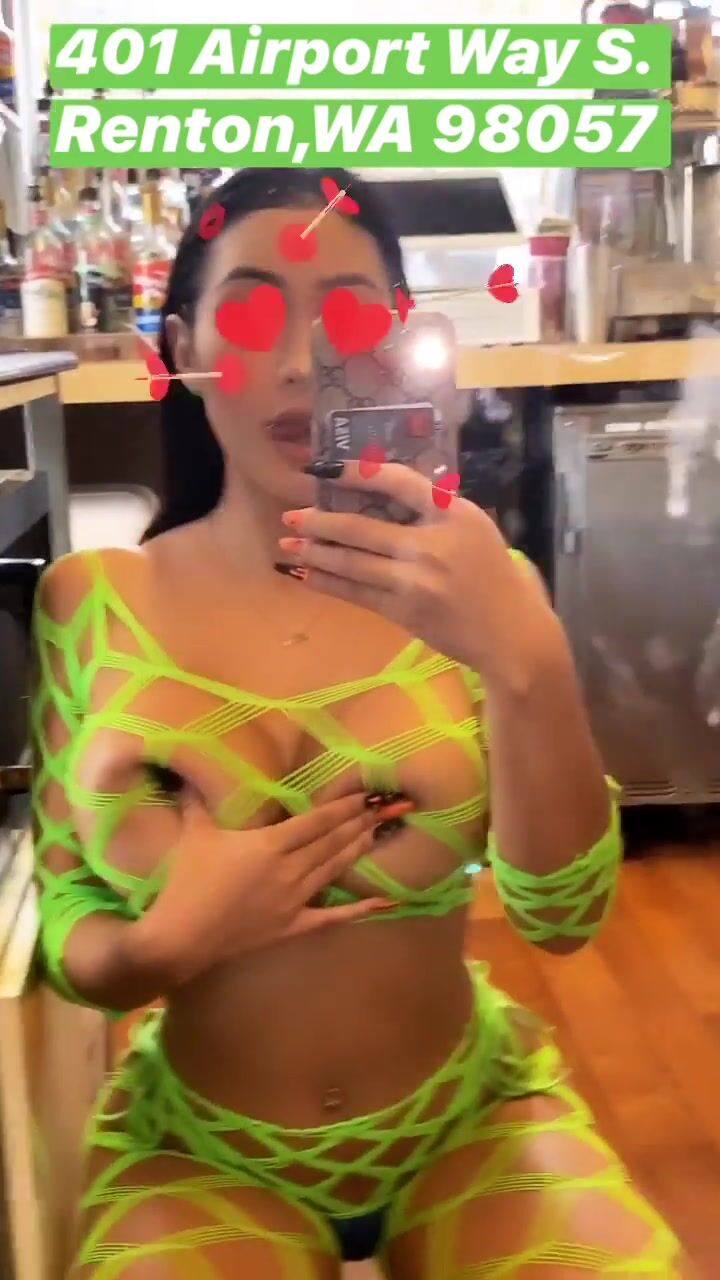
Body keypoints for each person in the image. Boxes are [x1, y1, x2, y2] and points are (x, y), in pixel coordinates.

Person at [31, 167, 687, 1278]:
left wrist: (526, 655)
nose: (300, 361)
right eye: (251, 314)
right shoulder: (91, 603)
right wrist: (163, 945)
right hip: (201, 1152)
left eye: (346, 317)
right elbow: (69, 922)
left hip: (467, 1121)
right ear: (180, 347)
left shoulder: (479, 597)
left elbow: (563, 916)